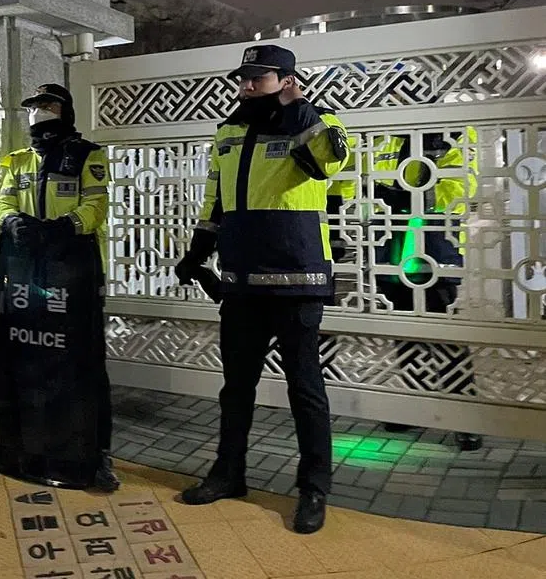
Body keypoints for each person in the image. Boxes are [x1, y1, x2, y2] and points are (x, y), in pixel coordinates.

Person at [175, 45, 349, 534]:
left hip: (299, 280)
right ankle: (227, 473)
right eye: (244, 78)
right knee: (236, 389)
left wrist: (298, 109)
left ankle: (314, 489)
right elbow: (217, 200)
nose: (248, 86)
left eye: (259, 77)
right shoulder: (228, 131)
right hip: (242, 281)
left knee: (305, 389)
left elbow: (327, 164)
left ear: (287, 79)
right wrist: (197, 251)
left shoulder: (320, 121)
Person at [0, 83, 119, 492]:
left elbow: (95, 206)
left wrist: (62, 229)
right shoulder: (19, 160)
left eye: (47, 106)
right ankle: (30, 445)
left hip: (73, 275)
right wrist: (13, 223)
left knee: (82, 364)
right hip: (30, 276)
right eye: (33, 107)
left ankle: (94, 452)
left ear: (64, 111)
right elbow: (2, 204)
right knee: (30, 358)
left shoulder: (87, 155)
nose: (38, 113)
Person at [369, 128, 482, 451]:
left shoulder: (451, 136)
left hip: (434, 254)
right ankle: (414, 406)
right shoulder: (386, 137)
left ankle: (465, 418)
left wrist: (410, 194)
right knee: (406, 335)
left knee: (446, 338)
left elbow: (461, 188)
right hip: (393, 254)